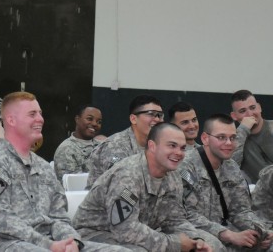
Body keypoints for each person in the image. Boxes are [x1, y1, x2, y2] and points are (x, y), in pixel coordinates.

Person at [0, 91, 126, 252]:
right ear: (11, 120)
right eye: (32, 114)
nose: (40, 119)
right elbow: (0, 220)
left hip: (46, 241)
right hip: (1, 243)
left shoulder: (42, 167)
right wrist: (48, 245)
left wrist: (71, 242)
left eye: (40, 113)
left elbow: (59, 216)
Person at [73, 123, 217, 251]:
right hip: (95, 234)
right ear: (152, 146)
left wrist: (196, 240)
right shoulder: (128, 176)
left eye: (183, 148)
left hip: (137, 234)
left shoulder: (173, 177)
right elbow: (124, 229)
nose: (179, 153)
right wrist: (174, 244)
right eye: (172, 145)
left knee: (209, 244)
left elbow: (175, 220)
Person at [179, 114, 273, 250]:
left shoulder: (231, 167)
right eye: (221, 137)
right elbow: (185, 215)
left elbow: (240, 210)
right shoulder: (186, 167)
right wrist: (227, 234)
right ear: (205, 138)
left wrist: (262, 232)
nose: (229, 143)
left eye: (233, 138)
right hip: (195, 233)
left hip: (227, 231)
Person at [86, 95, 163, 188]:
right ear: (133, 119)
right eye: (151, 114)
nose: (158, 119)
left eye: (160, 115)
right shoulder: (114, 146)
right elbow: (119, 187)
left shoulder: (158, 145)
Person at [230, 89, 273, 183]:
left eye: (253, 108)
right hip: (259, 195)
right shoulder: (233, 140)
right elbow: (230, 170)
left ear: (259, 108)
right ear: (234, 116)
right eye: (242, 111)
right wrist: (242, 130)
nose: (250, 114)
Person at [53, 104, 102, 181]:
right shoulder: (66, 149)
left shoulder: (103, 146)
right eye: (89, 119)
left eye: (99, 122)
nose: (95, 124)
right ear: (77, 119)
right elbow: (72, 183)